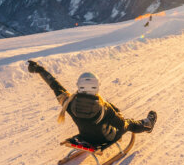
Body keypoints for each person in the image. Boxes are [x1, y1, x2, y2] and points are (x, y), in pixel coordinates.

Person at [26, 60, 156, 147]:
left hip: (85, 136)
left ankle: (146, 124)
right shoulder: (105, 107)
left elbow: (55, 85)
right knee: (129, 123)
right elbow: (121, 124)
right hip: (104, 139)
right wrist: (118, 114)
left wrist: (40, 70)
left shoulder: (69, 103)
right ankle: (147, 125)